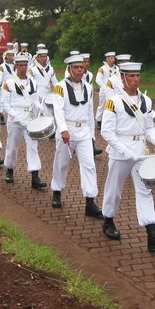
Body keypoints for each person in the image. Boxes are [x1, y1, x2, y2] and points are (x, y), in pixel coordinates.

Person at [100, 61, 155, 252]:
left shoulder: (146, 101)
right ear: (123, 78)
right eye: (131, 76)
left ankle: (152, 233)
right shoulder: (113, 101)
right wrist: (125, 151)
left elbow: (148, 127)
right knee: (114, 189)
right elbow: (107, 132)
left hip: (140, 152)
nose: (136, 79)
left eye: (138, 76)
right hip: (120, 151)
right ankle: (108, 220)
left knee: (145, 190)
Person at [50, 54, 102, 215]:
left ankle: (90, 201)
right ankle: (57, 192)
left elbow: (89, 112)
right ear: (69, 69)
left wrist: (92, 135)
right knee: (62, 164)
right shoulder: (60, 86)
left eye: (81, 67)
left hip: (84, 131)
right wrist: (63, 129)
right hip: (67, 131)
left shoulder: (88, 87)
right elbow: (57, 109)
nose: (80, 70)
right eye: (76, 67)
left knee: (89, 166)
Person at [0, 54, 47, 188]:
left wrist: (39, 107)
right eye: (20, 65)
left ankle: (35, 176)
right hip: (15, 119)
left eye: (25, 65)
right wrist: (14, 115)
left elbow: (35, 99)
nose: (23, 68)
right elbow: (4, 103)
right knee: (12, 146)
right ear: (16, 66)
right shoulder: (8, 83)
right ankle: (9, 169)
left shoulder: (32, 82)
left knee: (33, 147)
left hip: (30, 117)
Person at [29, 47, 58, 115]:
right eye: (42, 57)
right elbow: (31, 85)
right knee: (36, 116)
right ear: (38, 58)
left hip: (47, 95)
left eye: (45, 56)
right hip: (37, 96)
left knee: (48, 116)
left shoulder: (51, 69)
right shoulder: (33, 70)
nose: (44, 58)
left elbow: (55, 82)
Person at [94, 51, 117, 130]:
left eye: (114, 58)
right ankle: (99, 121)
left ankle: (111, 122)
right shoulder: (102, 69)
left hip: (113, 90)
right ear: (107, 59)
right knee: (102, 106)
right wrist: (104, 87)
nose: (113, 59)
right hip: (104, 90)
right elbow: (98, 80)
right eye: (111, 58)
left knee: (113, 106)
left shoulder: (116, 68)